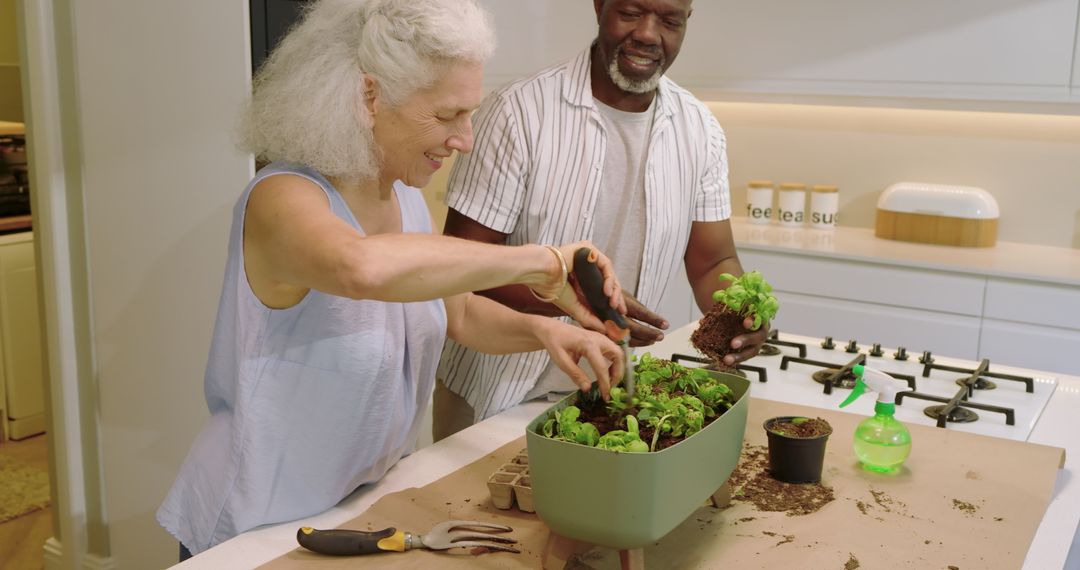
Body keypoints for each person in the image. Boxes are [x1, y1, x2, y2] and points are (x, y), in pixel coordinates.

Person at [156, 0, 629, 559]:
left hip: (361, 509)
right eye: (447, 114)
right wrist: (542, 262)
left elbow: (460, 313)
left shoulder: (402, 195)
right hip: (255, 525)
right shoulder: (281, 197)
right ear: (368, 97)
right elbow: (362, 268)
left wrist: (547, 332)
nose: (465, 139)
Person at [433, 0, 771, 441]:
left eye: (669, 20)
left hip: (610, 397)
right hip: (496, 394)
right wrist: (575, 295)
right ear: (599, 6)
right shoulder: (519, 112)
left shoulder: (700, 129)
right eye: (631, 11)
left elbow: (712, 262)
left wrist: (738, 315)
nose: (649, 34)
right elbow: (463, 268)